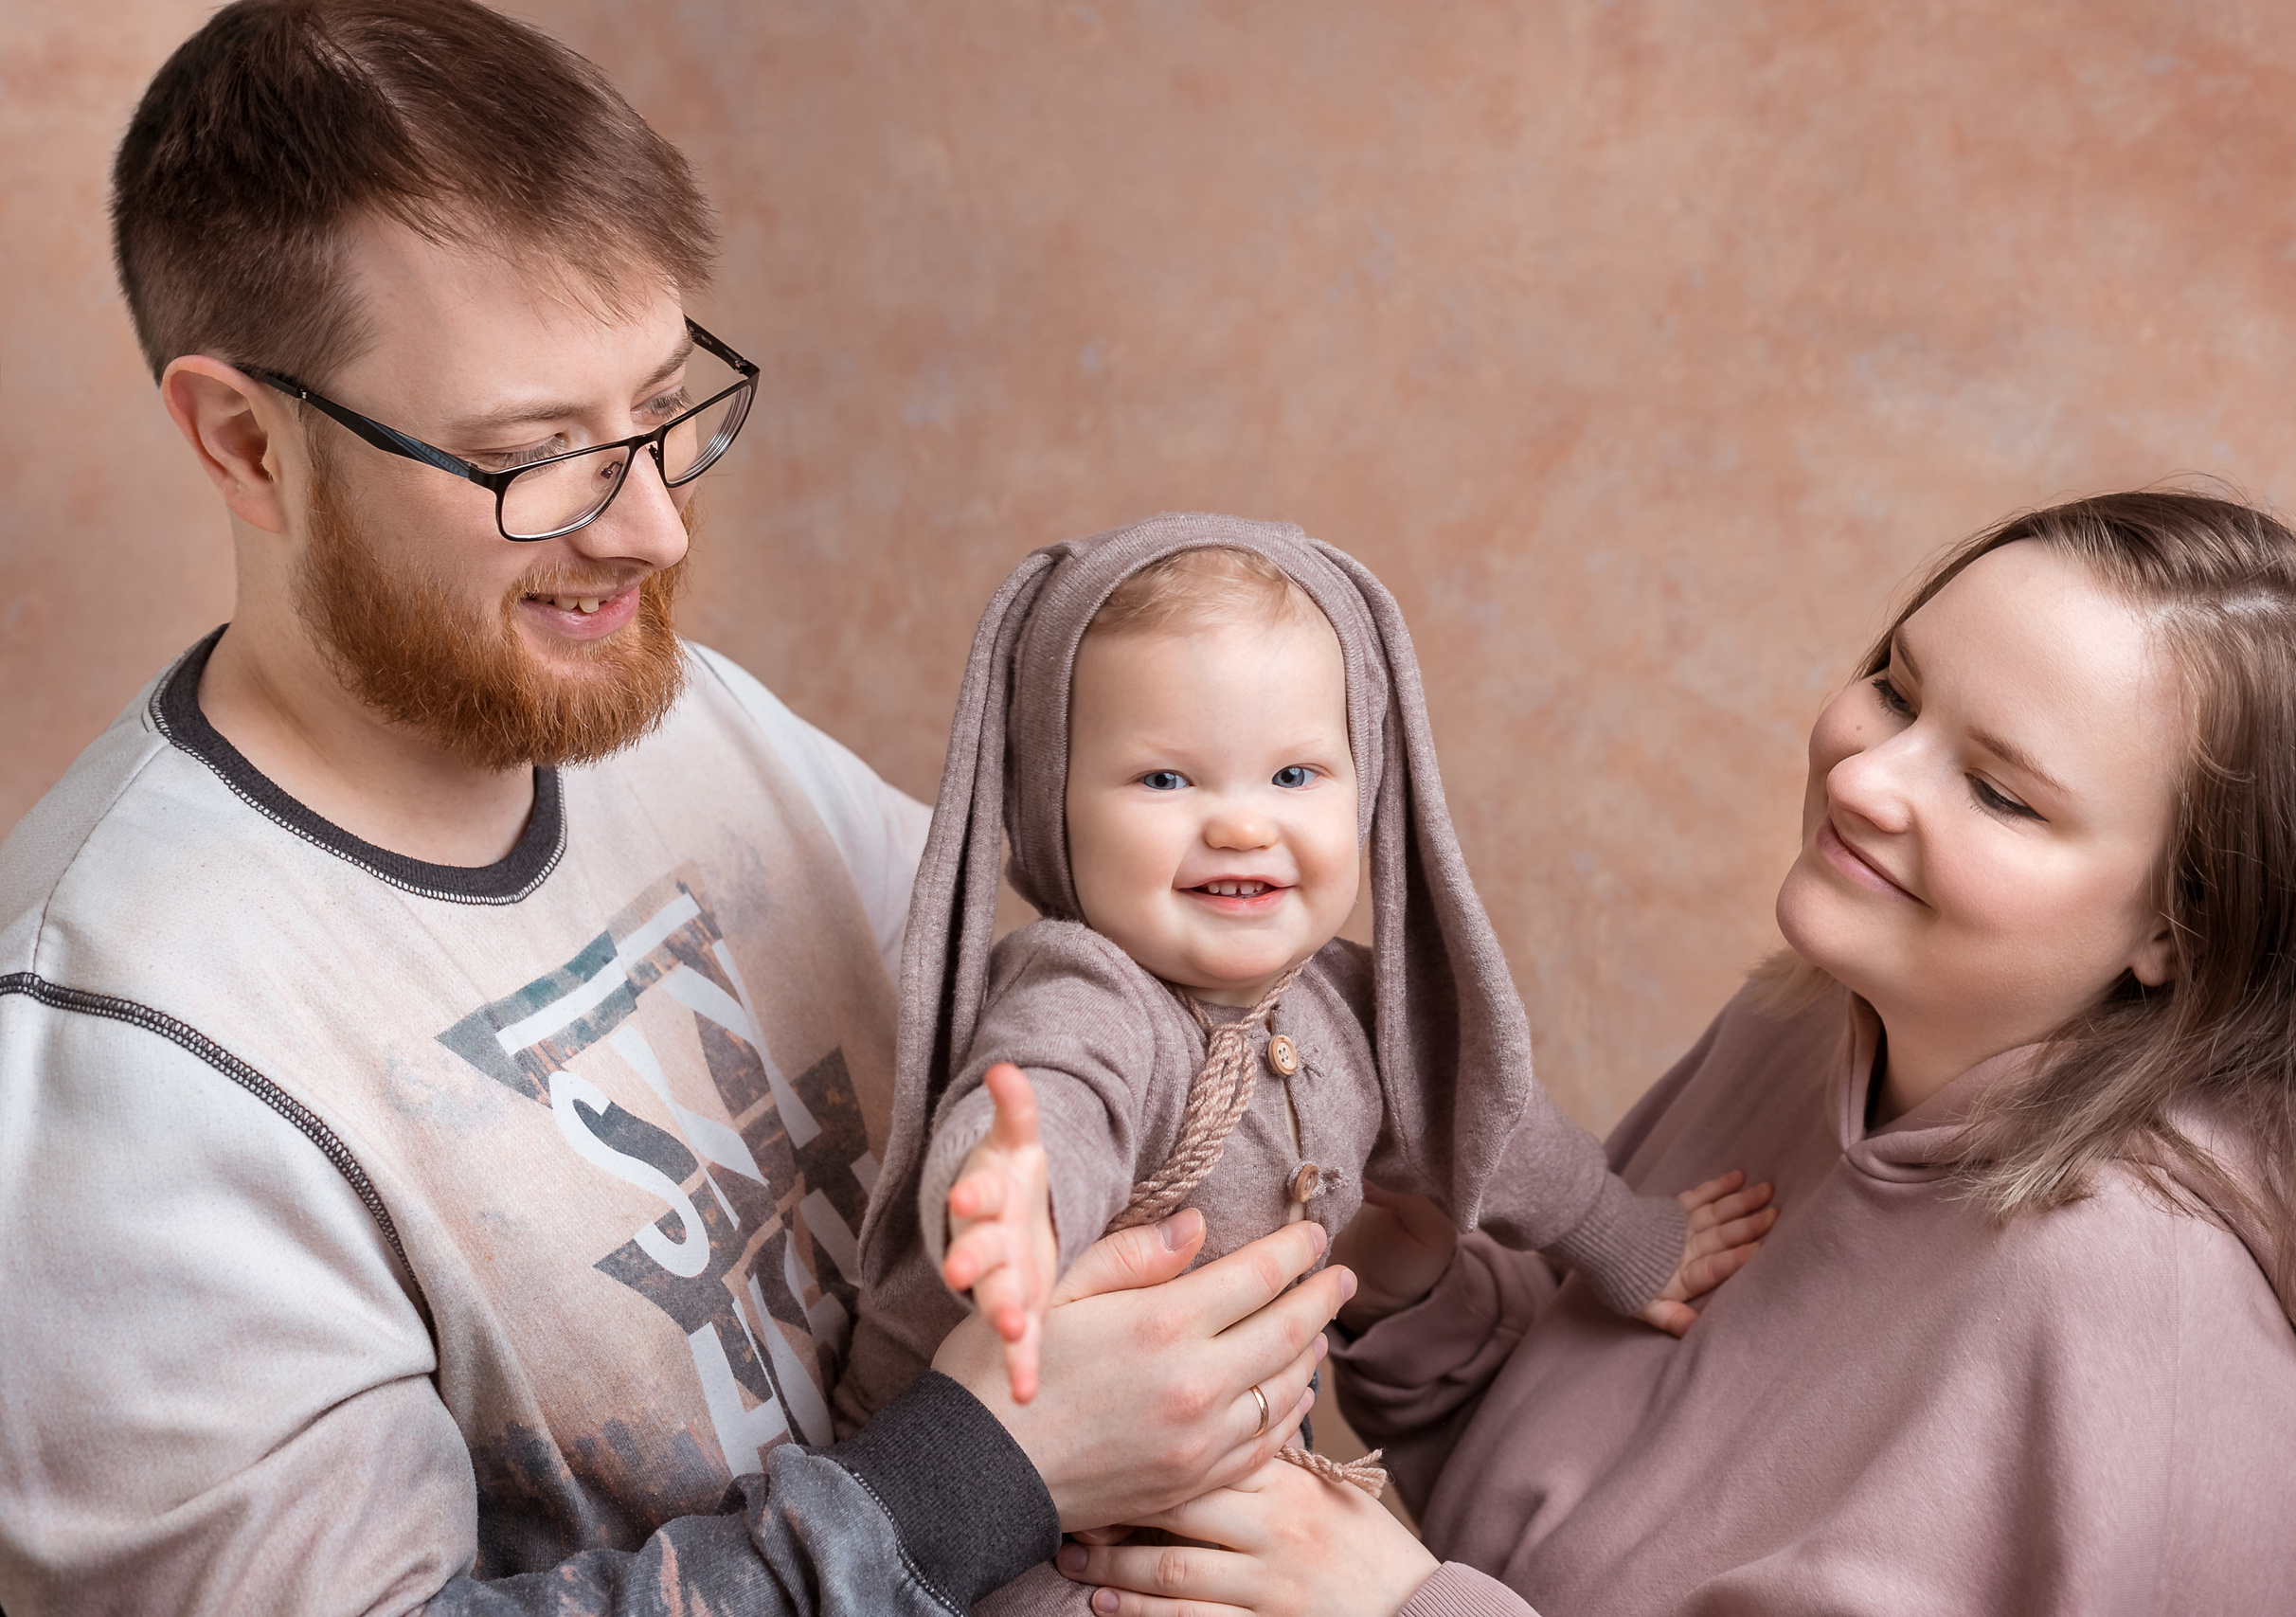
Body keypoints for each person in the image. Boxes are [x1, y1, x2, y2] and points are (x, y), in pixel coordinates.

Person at [0, 4, 1352, 1613]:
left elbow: (1075, 1042)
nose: (647, 528)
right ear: (248, 444)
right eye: (536, 455)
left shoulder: (671, 711)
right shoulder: (126, 1073)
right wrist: (991, 1472)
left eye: (659, 407)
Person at [1053, 491, 2296, 1616]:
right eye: (1896, 687)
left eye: (2000, 789)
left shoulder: (2138, 1301)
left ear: (2180, 928)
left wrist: (1402, 1606)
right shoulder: (1810, 1021)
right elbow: (1567, 1495)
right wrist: (1410, 1280)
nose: (1866, 778)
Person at [837, 519, 1773, 1609]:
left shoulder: (1347, 1000)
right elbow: (1055, 1097)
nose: (1241, 824)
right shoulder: (1084, 987)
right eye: (1164, 780)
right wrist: (1010, 1202)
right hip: (994, 1521)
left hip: (1186, 1475)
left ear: (1365, 793)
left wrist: (1624, 1239)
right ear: (1054, 807)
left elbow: (1493, 1124)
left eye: (1292, 773)